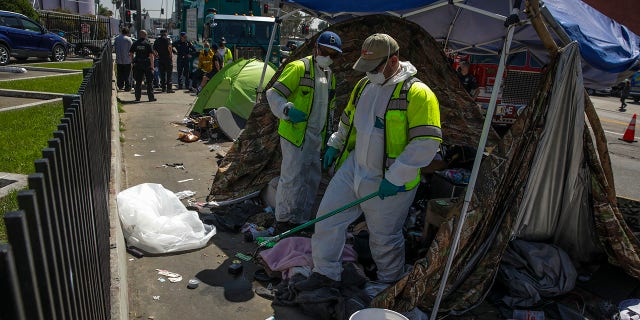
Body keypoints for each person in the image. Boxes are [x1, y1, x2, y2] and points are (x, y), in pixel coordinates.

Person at [295, 33, 442, 291]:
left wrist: (396, 177)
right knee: (327, 220)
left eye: (374, 68)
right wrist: (335, 143)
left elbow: (426, 143)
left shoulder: (418, 94)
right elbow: (347, 119)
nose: (369, 73)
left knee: (384, 238)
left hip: (389, 181)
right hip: (354, 169)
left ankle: (388, 283)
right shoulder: (364, 86)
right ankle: (325, 272)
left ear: (393, 60)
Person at [266, 31, 342, 233]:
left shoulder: (329, 76)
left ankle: (300, 220)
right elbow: (273, 93)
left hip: (316, 135)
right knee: (292, 177)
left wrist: (328, 138)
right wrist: (287, 110)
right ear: (316, 48)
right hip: (295, 133)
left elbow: (331, 108)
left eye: (334, 55)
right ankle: (283, 220)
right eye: (326, 52)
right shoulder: (299, 68)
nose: (329, 57)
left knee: (311, 178)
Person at [129, 30, 156, 102]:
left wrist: (132, 62)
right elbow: (151, 55)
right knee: (149, 82)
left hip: (138, 64)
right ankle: (151, 97)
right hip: (147, 64)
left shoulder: (135, 43)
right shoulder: (148, 43)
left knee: (138, 82)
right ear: (145, 35)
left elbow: (131, 53)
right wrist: (152, 66)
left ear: (139, 35)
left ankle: (137, 97)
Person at [114, 27, 133, 91]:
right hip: (127, 60)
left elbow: (115, 48)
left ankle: (120, 85)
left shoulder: (117, 39)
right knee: (127, 74)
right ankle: (127, 86)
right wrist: (132, 59)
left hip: (119, 59)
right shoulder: (128, 39)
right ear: (127, 32)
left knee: (120, 74)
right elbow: (131, 51)